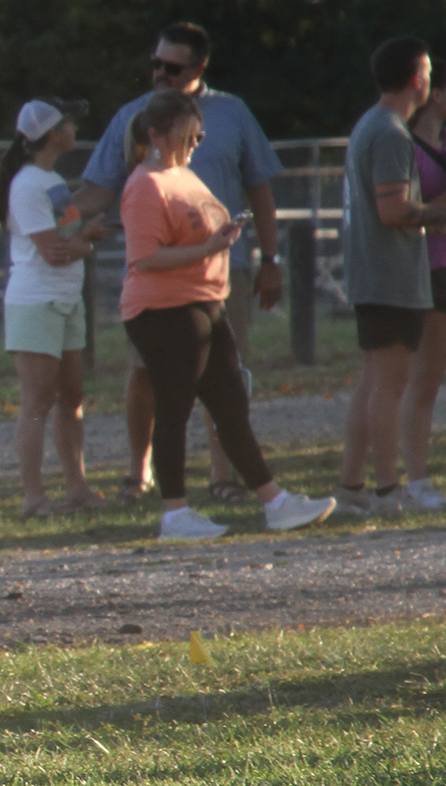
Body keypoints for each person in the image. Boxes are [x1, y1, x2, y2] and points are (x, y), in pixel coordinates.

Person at [78, 22, 285, 504]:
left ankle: (225, 477)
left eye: (171, 67)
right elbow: (99, 190)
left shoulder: (232, 114)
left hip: (218, 276)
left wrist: (270, 258)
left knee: (225, 379)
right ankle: (140, 474)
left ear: (197, 69)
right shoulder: (134, 118)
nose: (159, 73)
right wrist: (49, 216)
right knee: (150, 376)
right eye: (155, 64)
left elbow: (261, 187)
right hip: (162, 279)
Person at [117, 90, 336, 539]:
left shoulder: (183, 175)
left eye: (199, 132)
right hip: (164, 309)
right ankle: (175, 513)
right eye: (188, 133)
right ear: (159, 135)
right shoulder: (146, 184)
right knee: (175, 406)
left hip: (204, 302)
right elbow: (145, 258)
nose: (197, 140)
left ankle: (275, 502)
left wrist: (223, 233)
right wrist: (208, 247)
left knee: (231, 404)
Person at [336, 37, 446, 514]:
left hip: (375, 273)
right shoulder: (391, 134)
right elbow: (393, 210)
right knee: (389, 387)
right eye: (425, 71)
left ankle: (352, 485)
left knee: (373, 382)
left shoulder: (372, 125)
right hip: (390, 276)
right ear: (415, 78)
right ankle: (387, 489)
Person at [0, 96, 109, 516]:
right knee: (39, 399)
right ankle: (33, 497)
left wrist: (83, 233)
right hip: (36, 302)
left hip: (64, 299)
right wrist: (88, 245)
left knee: (71, 396)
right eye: (69, 125)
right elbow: (52, 252)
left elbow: (64, 235)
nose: (75, 130)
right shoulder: (26, 185)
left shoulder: (52, 180)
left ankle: (77, 489)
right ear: (53, 134)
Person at [402, 78, 446, 509]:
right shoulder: (406, 146)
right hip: (432, 266)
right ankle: (416, 480)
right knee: (426, 376)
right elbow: (406, 210)